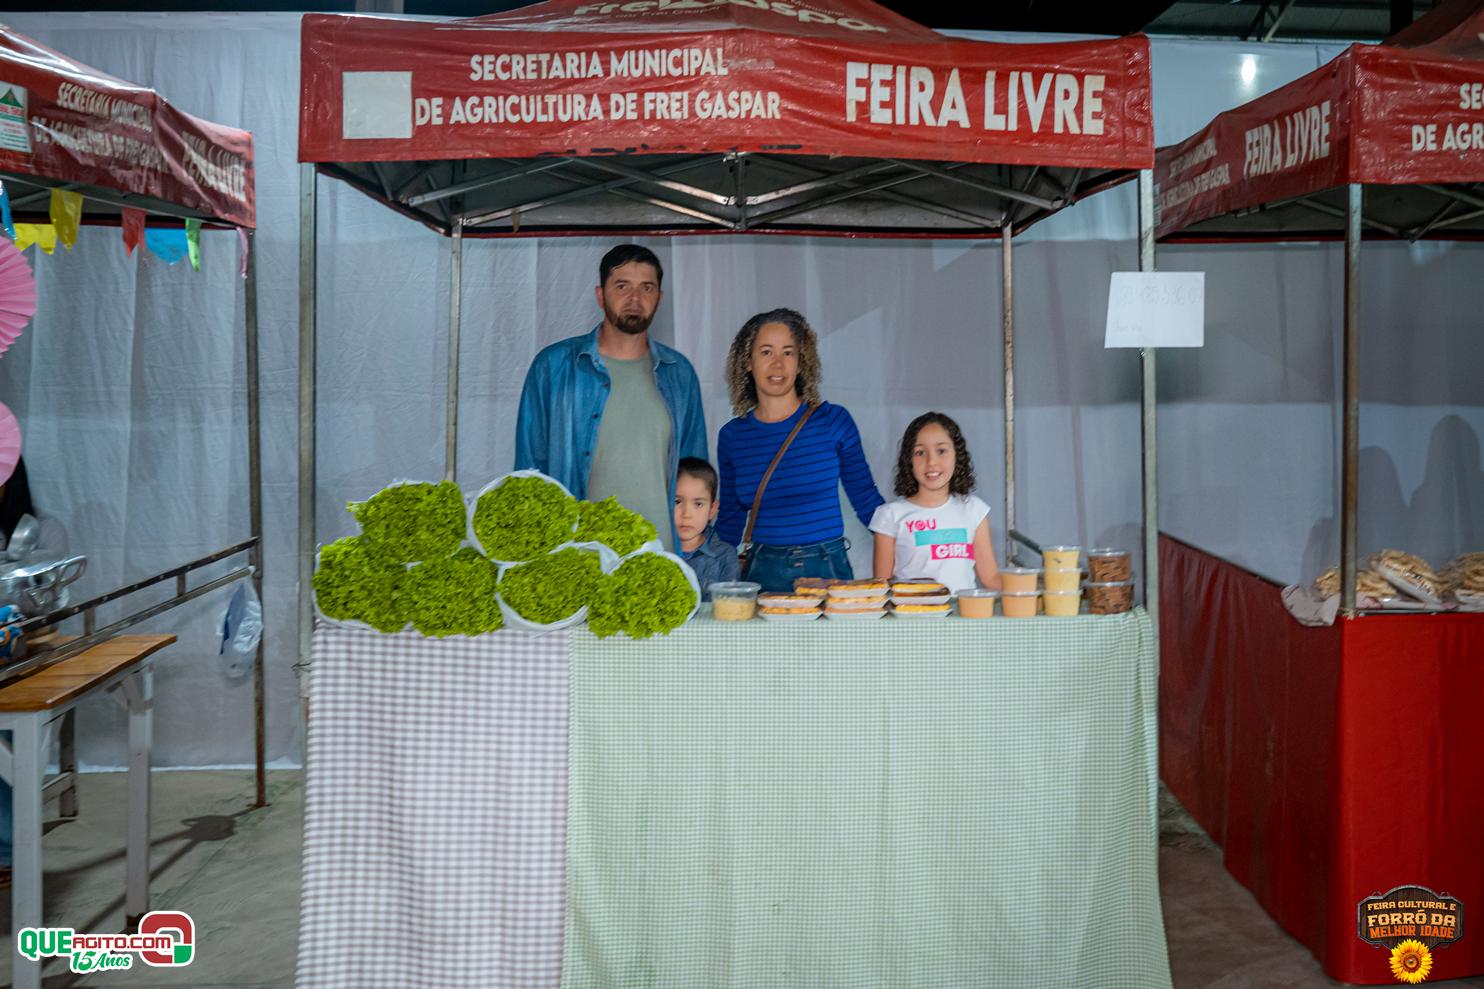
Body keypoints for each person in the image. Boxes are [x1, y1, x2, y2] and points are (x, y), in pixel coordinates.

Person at [514, 244, 706, 550]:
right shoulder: (554, 367)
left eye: (647, 288)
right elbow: (529, 473)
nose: (635, 298)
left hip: (661, 558)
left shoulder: (679, 373)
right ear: (600, 295)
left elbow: (696, 475)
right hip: (581, 558)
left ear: (659, 298)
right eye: (622, 286)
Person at [715, 308, 884, 593]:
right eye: (766, 352)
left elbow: (868, 502)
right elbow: (729, 523)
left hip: (828, 570)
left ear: (801, 362)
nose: (778, 364)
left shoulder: (833, 421)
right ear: (747, 362)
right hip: (761, 571)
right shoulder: (732, 437)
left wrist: (917, 542)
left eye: (788, 353)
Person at [870, 412, 1002, 592]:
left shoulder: (975, 510)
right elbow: (881, 587)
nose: (931, 462)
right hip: (911, 609)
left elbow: (991, 578)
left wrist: (1035, 584)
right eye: (920, 452)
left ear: (957, 455)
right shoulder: (889, 516)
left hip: (962, 609)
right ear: (908, 460)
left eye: (941, 451)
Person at [673, 457, 739, 598]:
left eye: (698, 504)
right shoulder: (654, 551)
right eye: (677, 502)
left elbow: (730, 604)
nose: (686, 514)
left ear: (712, 510)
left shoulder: (725, 555)